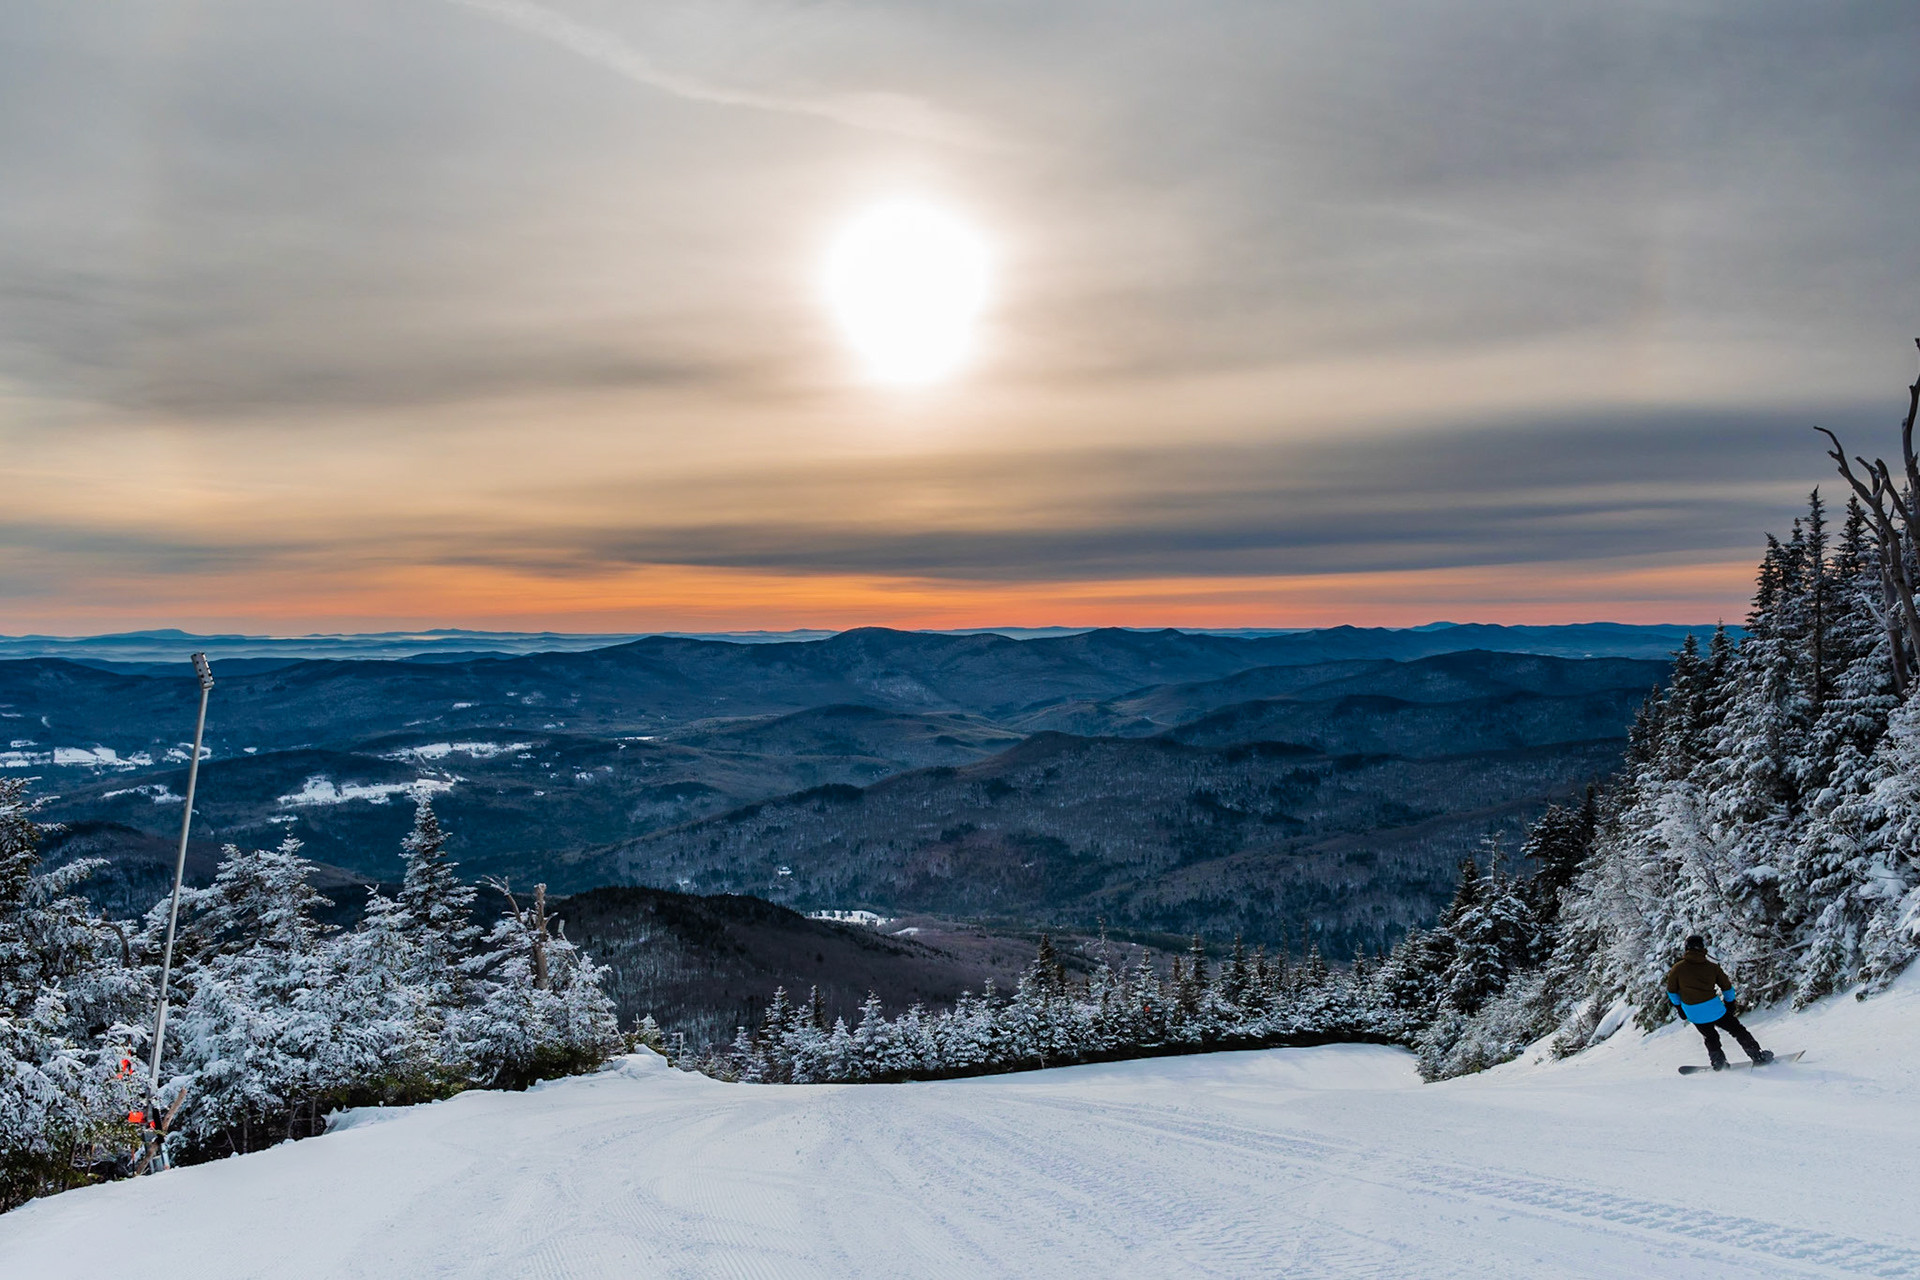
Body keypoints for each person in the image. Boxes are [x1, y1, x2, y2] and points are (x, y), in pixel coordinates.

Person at [1664, 934, 1772, 1070]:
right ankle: (1757, 1057)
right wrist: (1730, 1004)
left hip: (1693, 1012)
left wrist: (1680, 1008)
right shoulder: (1712, 967)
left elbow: (1672, 991)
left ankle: (1719, 1063)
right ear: (1703, 948)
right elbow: (1727, 988)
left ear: (1687, 948)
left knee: (1710, 1037)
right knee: (1738, 1030)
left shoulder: (1677, 968)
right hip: (1715, 1009)